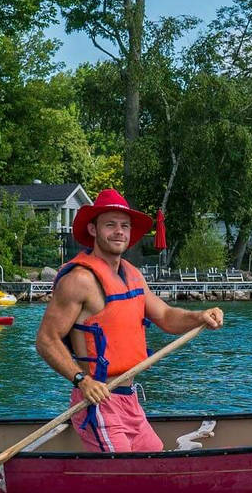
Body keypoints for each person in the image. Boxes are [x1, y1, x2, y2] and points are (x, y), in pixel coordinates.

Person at [35, 189, 223, 453]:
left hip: (129, 399)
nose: (119, 232)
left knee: (155, 456)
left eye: (124, 226)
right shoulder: (79, 280)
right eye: (110, 225)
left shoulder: (132, 274)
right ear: (93, 229)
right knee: (130, 469)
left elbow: (167, 317)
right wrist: (82, 380)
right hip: (96, 402)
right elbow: (46, 340)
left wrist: (199, 317)